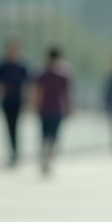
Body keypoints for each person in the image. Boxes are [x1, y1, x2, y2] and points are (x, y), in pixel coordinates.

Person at [33, 47, 73, 175]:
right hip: (57, 109)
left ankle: (45, 155)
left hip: (44, 109)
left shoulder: (42, 74)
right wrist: (70, 107)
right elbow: (67, 94)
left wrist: (34, 106)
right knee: (54, 136)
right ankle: (49, 156)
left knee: (45, 134)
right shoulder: (63, 74)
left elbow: (38, 92)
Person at [0, 38, 29, 165]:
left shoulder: (22, 66)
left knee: (16, 127)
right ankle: (13, 153)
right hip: (7, 101)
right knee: (9, 127)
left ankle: (16, 153)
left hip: (18, 101)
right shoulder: (2, 66)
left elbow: (28, 84)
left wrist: (27, 101)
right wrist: (2, 92)